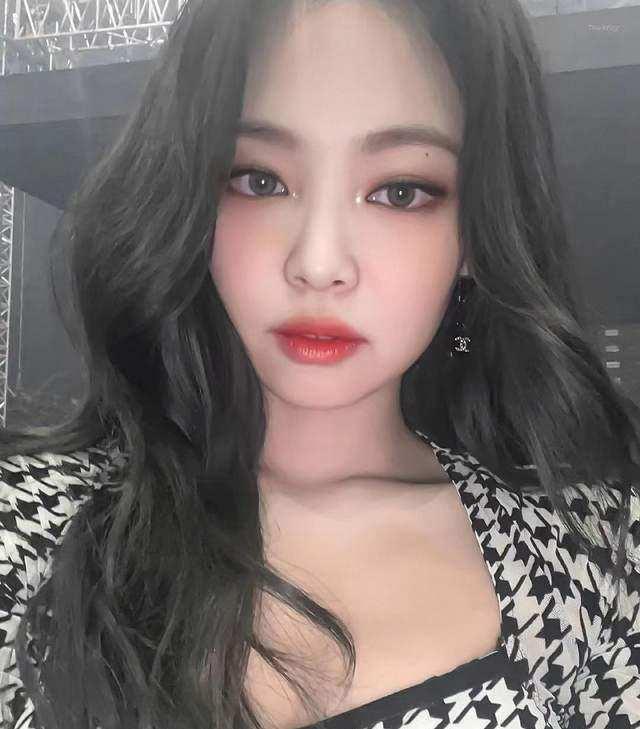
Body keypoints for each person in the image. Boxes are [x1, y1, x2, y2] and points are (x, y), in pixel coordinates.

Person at [1, 0, 639, 728]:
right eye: (259, 179)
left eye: (400, 191)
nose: (318, 262)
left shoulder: (589, 557)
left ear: (476, 234)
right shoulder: (30, 526)